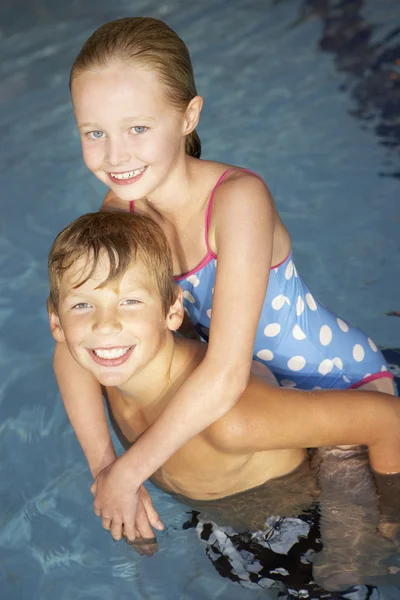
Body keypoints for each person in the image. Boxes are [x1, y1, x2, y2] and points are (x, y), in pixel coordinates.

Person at [55, 16, 395, 541]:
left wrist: (130, 469)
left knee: (357, 556)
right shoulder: (122, 212)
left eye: (137, 128)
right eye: (94, 132)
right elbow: (68, 337)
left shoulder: (237, 202)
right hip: (260, 400)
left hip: (335, 386)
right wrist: (105, 470)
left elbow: (226, 373)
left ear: (188, 116)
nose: (115, 155)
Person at [48, 211, 400, 549]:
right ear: (57, 322)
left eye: (130, 301)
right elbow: (66, 354)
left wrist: (391, 516)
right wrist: (108, 473)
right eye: (82, 305)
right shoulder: (103, 355)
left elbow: (389, 420)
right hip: (220, 513)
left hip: (296, 523)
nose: (104, 326)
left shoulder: (231, 420)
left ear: (172, 311)